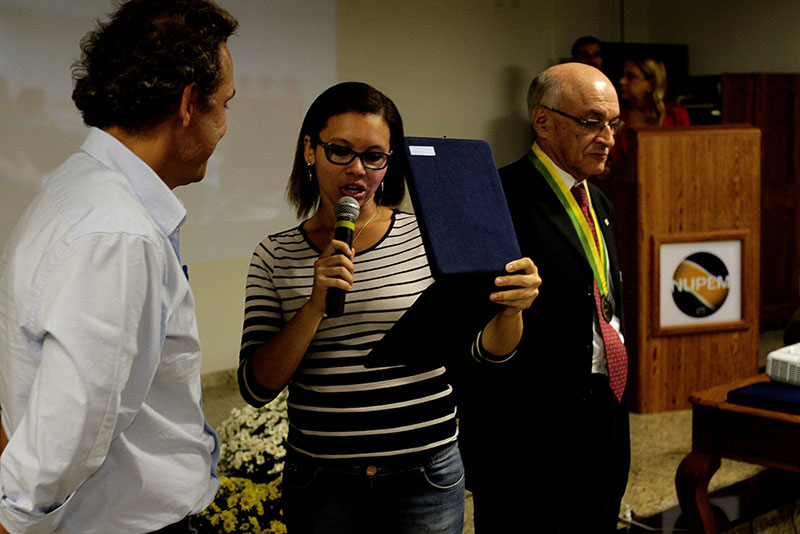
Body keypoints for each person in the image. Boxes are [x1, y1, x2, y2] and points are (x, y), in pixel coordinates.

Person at [238, 81, 541, 534]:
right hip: (323, 481)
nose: (357, 170)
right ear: (309, 150)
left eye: (374, 156)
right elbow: (256, 386)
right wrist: (314, 306)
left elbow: (488, 353)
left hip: (425, 475)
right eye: (340, 151)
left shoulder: (428, 237)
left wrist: (511, 309)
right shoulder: (275, 255)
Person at [0, 1, 237, 532]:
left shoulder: (76, 187)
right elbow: (65, 437)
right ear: (187, 103)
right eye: (224, 104)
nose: (225, 126)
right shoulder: (118, 235)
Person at [459, 62, 630, 533]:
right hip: (529, 430)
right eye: (592, 122)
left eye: (613, 124)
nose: (608, 138)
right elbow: (472, 321)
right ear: (543, 121)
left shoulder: (599, 202)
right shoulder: (496, 197)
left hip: (604, 409)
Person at [610, 55, 690, 170]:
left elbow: (686, 156)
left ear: (651, 84)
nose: (622, 81)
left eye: (630, 76)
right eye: (623, 75)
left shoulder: (676, 114)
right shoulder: (617, 117)